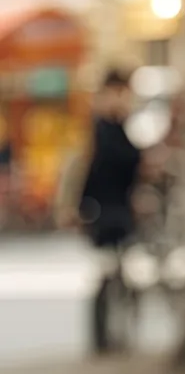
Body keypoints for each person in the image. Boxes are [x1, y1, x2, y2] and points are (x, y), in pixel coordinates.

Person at [77, 69, 142, 352]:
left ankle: (112, 334)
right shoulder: (100, 129)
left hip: (117, 209)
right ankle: (102, 337)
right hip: (103, 210)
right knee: (107, 271)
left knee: (116, 271)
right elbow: (100, 169)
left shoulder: (115, 126)